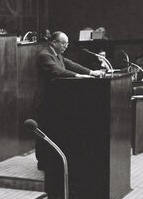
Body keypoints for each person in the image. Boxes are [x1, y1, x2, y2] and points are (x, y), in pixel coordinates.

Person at [36, 31, 103, 169]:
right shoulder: (45, 55)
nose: (66, 46)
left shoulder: (58, 55)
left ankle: (52, 161)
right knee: (45, 131)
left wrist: (91, 72)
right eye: (63, 43)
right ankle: (42, 162)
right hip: (45, 101)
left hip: (56, 101)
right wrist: (79, 76)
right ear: (54, 42)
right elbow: (58, 71)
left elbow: (71, 64)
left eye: (67, 43)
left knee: (55, 131)